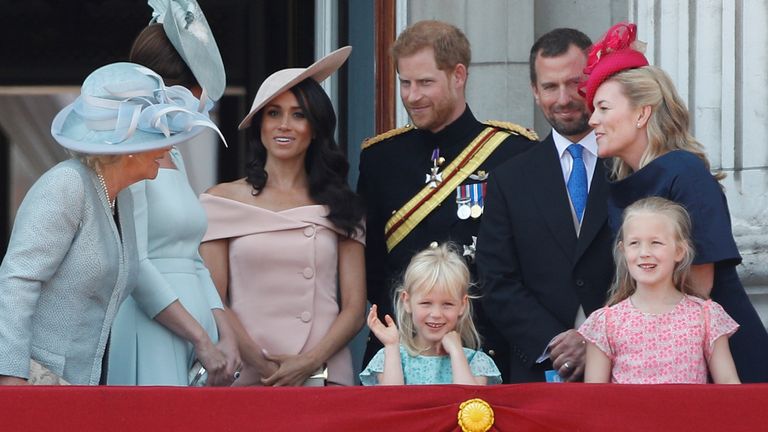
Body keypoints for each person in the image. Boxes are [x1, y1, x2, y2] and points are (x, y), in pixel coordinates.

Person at [0, 61, 220, 385]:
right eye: (158, 136)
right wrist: (11, 377)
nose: (170, 146)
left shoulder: (123, 197)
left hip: (80, 386)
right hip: (36, 383)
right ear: (128, 150)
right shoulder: (67, 185)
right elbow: (17, 280)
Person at [583, 22, 768, 382]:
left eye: (603, 108)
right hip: (654, 359)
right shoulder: (623, 181)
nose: (593, 121)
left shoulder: (683, 171)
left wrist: (639, 344)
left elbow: (699, 285)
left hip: (717, 360)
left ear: (642, 113)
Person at [358, 20, 537, 378]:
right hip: (401, 354)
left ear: (458, 75)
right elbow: (371, 265)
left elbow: (527, 262)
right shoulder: (380, 157)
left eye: (425, 83)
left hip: (484, 349)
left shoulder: (511, 152)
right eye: (404, 83)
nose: (411, 96)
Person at [199, 46, 366, 386]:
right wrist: (260, 365)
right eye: (274, 113)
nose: (284, 125)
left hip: (324, 373)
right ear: (260, 124)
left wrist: (310, 362)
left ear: (316, 127)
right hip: (248, 373)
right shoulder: (221, 201)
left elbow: (354, 307)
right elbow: (213, 298)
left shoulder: (343, 205)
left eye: (298, 114)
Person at [107, 0, 240, 386]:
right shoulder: (125, 153)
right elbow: (136, 262)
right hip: (151, 326)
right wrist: (200, 338)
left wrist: (223, 329)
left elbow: (194, 258)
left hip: (198, 333)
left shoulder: (175, 155)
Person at [475, 28, 614, 383]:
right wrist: (555, 343)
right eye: (550, 87)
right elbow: (496, 280)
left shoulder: (632, 165)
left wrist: (597, 339)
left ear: (597, 81)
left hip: (629, 365)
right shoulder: (510, 178)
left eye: (575, 83)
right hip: (543, 371)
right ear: (535, 93)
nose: (564, 98)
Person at [579, 197, 740, 384]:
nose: (644, 252)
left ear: (679, 251)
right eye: (634, 243)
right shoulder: (605, 324)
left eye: (656, 242)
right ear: (623, 251)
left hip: (689, 414)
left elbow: (729, 385)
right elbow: (595, 399)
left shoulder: (705, 316)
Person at [360, 243, 501, 385]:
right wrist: (391, 346)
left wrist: (456, 352)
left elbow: (469, 403)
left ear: (462, 305)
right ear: (407, 301)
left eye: (447, 304)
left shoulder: (475, 362)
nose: (436, 314)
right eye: (426, 303)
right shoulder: (389, 357)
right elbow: (392, 403)